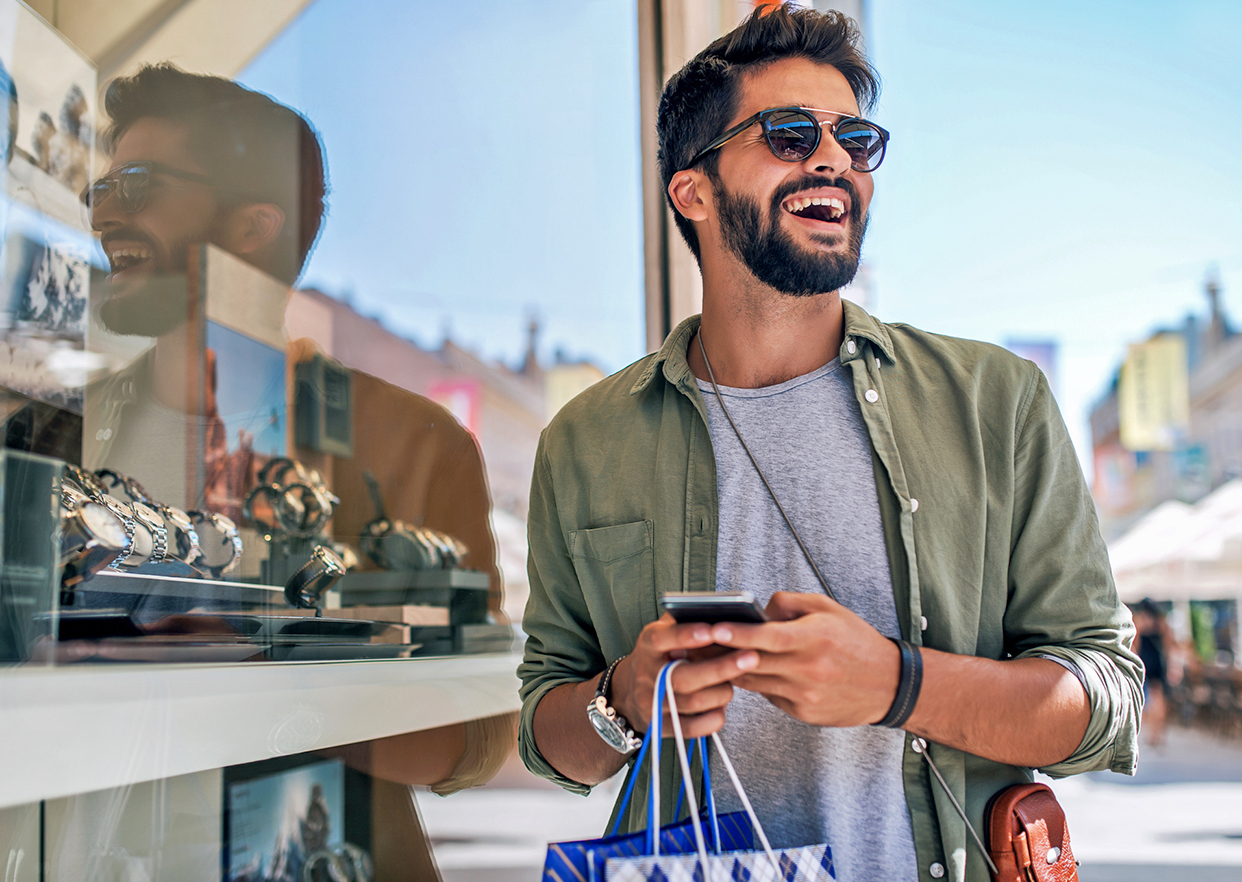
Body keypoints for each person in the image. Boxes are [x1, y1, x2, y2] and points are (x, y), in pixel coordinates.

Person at [517, 6, 1143, 881]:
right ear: (691, 190)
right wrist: (624, 701)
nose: (834, 159)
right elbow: (548, 733)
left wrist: (896, 685)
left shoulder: (995, 402)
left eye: (854, 138)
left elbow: (1107, 703)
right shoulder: (585, 443)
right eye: (789, 133)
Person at [74, 64, 513, 793]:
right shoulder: (50, 436)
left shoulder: (412, 445)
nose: (102, 216)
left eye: (138, 185)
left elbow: (475, 739)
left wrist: (265, 687)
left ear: (251, 227)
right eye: (102, 190)